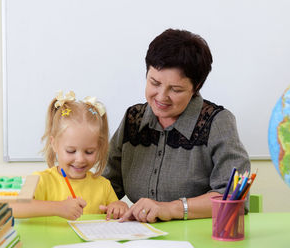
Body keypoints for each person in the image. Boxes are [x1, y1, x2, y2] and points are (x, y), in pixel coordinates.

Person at [103, 28, 250, 223]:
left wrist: (171, 208)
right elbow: (106, 185)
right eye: (154, 82)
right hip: (139, 238)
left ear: (196, 87)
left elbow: (234, 197)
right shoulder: (134, 118)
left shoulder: (218, 122)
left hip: (198, 239)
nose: (161, 97)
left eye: (176, 89)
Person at [11, 91, 129, 220]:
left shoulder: (103, 186)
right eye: (71, 151)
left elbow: (116, 213)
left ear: (99, 148)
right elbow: (12, 207)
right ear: (54, 144)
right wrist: (58, 208)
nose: (80, 159)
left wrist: (119, 206)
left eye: (89, 152)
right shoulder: (40, 180)